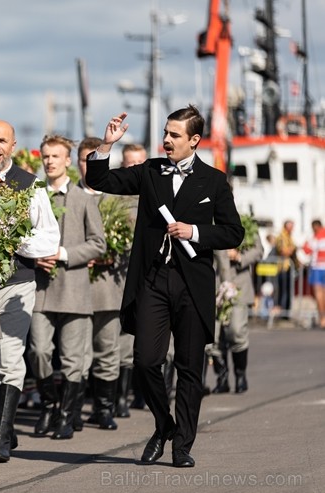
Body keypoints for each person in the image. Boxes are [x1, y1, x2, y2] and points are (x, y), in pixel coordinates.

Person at [86, 107, 244, 468]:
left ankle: (182, 446)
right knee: (145, 361)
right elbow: (102, 182)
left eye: (174, 135)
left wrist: (196, 232)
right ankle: (164, 425)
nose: (166, 140)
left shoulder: (215, 181)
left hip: (193, 284)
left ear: (194, 140)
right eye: (165, 133)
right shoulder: (151, 171)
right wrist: (106, 146)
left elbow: (234, 232)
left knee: (190, 368)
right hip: (153, 279)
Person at [0, 120, 61, 462]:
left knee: (10, 358)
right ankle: (5, 425)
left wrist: (12, 240)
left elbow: (48, 237)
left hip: (17, 283)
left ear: (13, 146)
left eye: (2, 141)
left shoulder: (31, 184)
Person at [28, 134, 105, 440]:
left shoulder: (84, 200)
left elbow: (98, 243)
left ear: (68, 161)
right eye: (45, 156)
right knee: (39, 351)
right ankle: (49, 404)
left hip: (74, 288)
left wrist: (63, 254)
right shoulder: (33, 196)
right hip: (40, 290)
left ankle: (66, 415)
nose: (49, 161)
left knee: (74, 358)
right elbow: (21, 239)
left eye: (55, 156)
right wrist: (35, 259)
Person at [75, 137, 129, 432]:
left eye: (92, 159)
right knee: (77, 352)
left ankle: (104, 408)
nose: (87, 165)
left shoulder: (115, 198)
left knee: (107, 349)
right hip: (75, 285)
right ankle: (72, 409)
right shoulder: (69, 196)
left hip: (108, 286)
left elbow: (131, 239)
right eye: (83, 159)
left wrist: (110, 254)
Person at [115, 143, 146, 417]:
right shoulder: (115, 200)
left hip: (150, 276)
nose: (135, 167)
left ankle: (146, 392)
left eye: (140, 162)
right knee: (125, 338)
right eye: (130, 163)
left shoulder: (156, 193)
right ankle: (121, 398)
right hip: (122, 276)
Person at [211, 233, 263, 394]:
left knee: (236, 331)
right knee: (213, 337)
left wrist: (240, 256)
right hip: (214, 284)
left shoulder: (243, 223)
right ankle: (222, 378)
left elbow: (258, 250)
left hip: (238, 285)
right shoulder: (207, 221)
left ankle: (240, 376)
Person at [302, 220, 325, 329]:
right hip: (317, 268)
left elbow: (306, 249)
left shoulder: (316, 237)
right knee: (320, 294)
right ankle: (322, 318)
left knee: (319, 294)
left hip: (318, 267)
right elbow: (306, 249)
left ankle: (322, 319)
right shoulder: (314, 237)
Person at [274, 220, 297, 318]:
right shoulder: (282, 236)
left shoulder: (289, 236)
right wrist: (292, 249)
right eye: (291, 226)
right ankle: (282, 314)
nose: (292, 228)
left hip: (288, 267)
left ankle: (286, 314)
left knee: (288, 291)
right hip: (283, 267)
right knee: (283, 291)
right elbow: (284, 251)